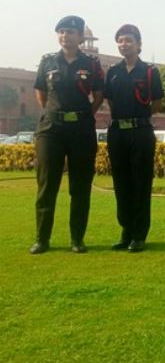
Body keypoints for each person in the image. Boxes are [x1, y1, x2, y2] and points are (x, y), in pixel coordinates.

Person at [30, 15, 104, 254]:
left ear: (81, 36)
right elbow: (41, 94)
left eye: (70, 32)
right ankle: (42, 239)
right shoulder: (48, 62)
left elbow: (99, 95)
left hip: (81, 130)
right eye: (61, 31)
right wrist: (56, 113)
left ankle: (77, 239)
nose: (65, 36)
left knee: (80, 187)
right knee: (46, 185)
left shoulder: (91, 64)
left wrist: (83, 114)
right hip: (52, 130)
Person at [104, 25, 164, 253]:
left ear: (139, 44)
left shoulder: (149, 72)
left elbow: (157, 103)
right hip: (118, 131)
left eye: (128, 40)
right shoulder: (113, 72)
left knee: (140, 182)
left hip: (140, 131)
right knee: (121, 183)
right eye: (119, 40)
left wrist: (138, 116)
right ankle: (126, 230)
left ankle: (139, 234)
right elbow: (109, 101)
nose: (123, 44)